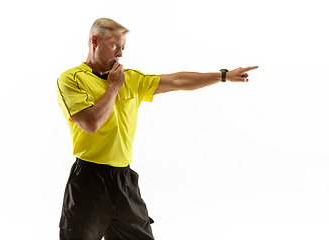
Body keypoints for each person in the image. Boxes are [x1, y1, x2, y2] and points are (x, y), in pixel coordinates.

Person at [56, 18, 258, 240]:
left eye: (123, 48)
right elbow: (91, 123)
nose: (120, 54)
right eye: (115, 46)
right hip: (89, 180)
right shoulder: (72, 79)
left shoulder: (131, 79)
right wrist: (113, 87)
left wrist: (223, 76)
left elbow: (177, 80)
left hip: (123, 180)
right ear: (95, 41)